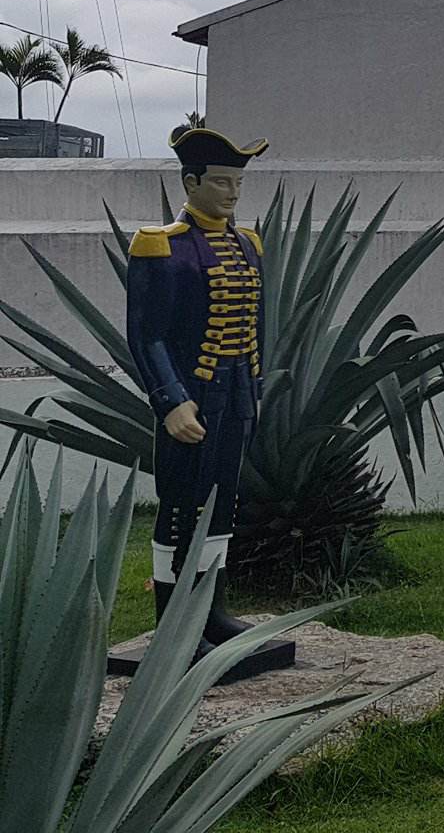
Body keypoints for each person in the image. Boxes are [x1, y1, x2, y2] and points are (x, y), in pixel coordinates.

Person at [126, 125, 269, 656]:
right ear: (191, 183)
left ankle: (212, 614)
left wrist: (254, 385)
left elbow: (257, 324)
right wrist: (170, 400)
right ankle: (174, 626)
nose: (233, 193)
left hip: (236, 395)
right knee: (180, 507)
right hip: (192, 398)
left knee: (221, 503)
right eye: (221, 182)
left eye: (238, 183)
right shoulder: (162, 246)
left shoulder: (248, 245)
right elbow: (147, 335)